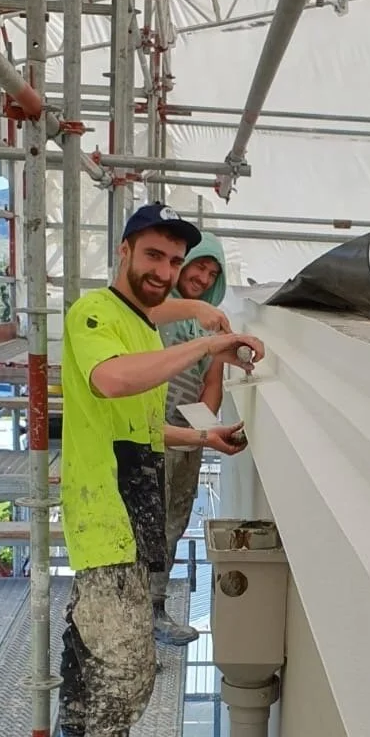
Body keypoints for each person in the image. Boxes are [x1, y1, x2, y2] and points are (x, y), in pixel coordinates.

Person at [58, 201, 263, 737]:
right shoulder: (96, 315)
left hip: (127, 510)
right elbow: (110, 382)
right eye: (156, 256)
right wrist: (208, 340)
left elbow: (143, 429)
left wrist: (203, 435)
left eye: (175, 261)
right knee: (128, 668)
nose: (166, 271)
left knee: (91, 649)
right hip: (106, 514)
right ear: (125, 252)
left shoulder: (143, 329)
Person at [150, 229, 229, 646]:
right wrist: (197, 310)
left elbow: (212, 382)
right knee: (141, 526)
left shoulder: (210, 327)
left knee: (173, 524)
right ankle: (129, 611)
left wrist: (203, 426)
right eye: (200, 265)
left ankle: (154, 610)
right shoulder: (157, 311)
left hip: (185, 440)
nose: (203, 277)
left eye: (213, 273)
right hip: (146, 437)